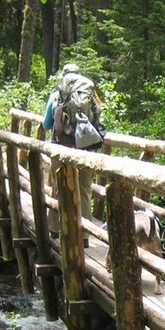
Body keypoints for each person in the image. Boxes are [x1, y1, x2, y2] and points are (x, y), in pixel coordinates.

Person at [42, 64, 104, 243]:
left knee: (58, 187)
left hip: (62, 147)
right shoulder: (89, 93)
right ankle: (84, 237)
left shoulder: (57, 93)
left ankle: (54, 229)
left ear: (64, 76)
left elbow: (46, 124)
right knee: (84, 190)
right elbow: (98, 117)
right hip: (86, 147)